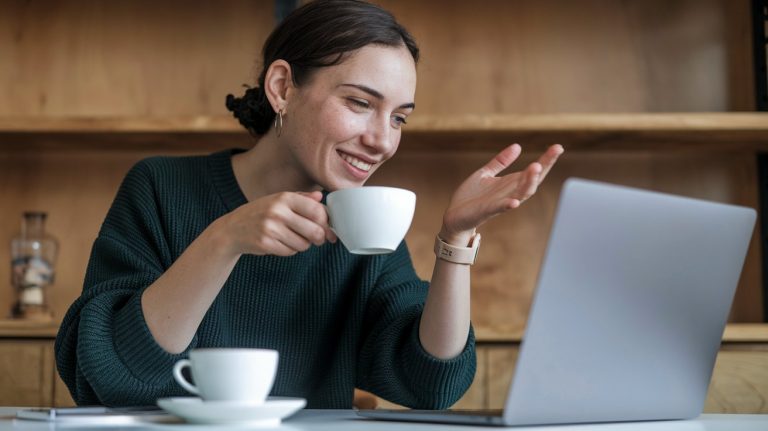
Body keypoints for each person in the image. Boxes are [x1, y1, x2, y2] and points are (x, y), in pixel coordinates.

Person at [55, 0, 563, 409]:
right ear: (282, 88)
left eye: (399, 118)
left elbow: (429, 383)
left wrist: (454, 242)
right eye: (360, 104)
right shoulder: (162, 187)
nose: (382, 141)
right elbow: (112, 376)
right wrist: (224, 240)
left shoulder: (361, 221)